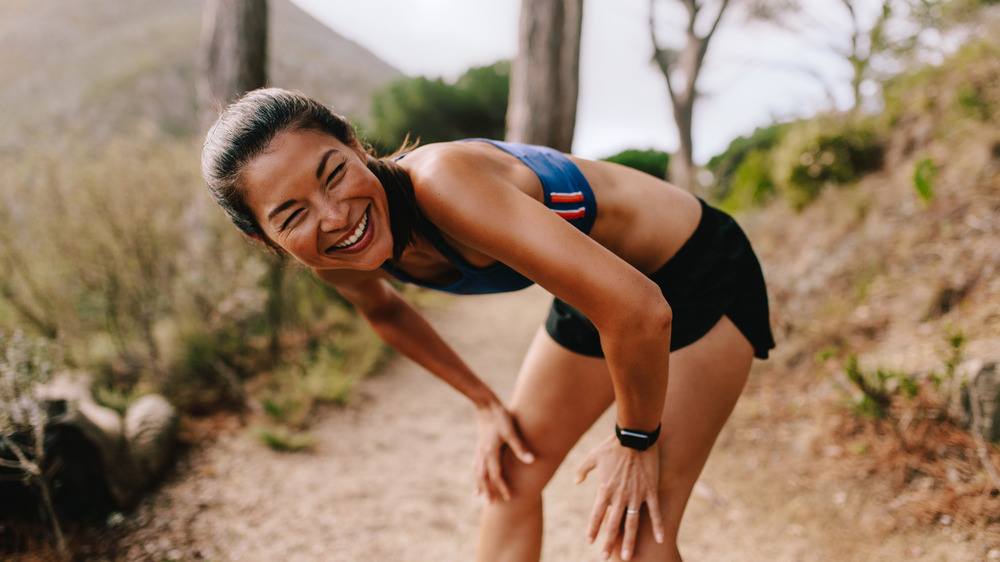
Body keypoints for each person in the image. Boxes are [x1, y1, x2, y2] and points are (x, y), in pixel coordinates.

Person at [201, 87, 774, 562]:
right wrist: (483, 402)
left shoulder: (443, 182)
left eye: (333, 174)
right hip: (601, 298)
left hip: (695, 270)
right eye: (293, 214)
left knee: (638, 534)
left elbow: (640, 310)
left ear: (354, 143)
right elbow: (384, 310)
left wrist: (636, 439)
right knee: (510, 482)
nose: (336, 216)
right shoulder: (336, 259)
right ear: (262, 237)